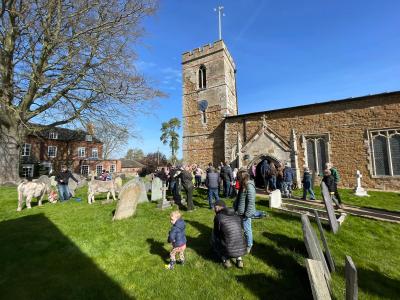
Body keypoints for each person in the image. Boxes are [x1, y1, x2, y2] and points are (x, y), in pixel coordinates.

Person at [212, 200, 247, 268]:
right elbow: (241, 228)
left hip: (228, 246)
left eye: (215, 208)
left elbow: (216, 233)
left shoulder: (218, 217)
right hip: (242, 245)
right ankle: (239, 260)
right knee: (233, 236)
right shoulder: (236, 215)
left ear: (220, 207)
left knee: (214, 236)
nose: (214, 209)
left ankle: (226, 260)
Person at [234, 171, 256, 254]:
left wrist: (247, 214)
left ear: (242, 178)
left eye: (238, 178)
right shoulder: (243, 186)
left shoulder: (249, 186)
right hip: (240, 212)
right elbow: (240, 198)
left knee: (247, 230)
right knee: (241, 228)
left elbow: (251, 201)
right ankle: (243, 242)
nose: (237, 180)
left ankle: (249, 245)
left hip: (245, 213)